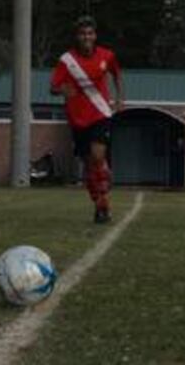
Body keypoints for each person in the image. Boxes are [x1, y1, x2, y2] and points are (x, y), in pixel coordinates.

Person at [50, 16, 124, 224]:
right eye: (82, 34)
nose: (86, 37)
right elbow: (53, 87)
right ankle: (101, 205)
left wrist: (119, 99)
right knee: (89, 167)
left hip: (100, 113)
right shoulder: (67, 61)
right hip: (77, 119)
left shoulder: (107, 55)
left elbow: (117, 75)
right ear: (77, 36)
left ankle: (104, 166)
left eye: (90, 33)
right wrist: (61, 90)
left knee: (97, 156)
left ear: (95, 35)